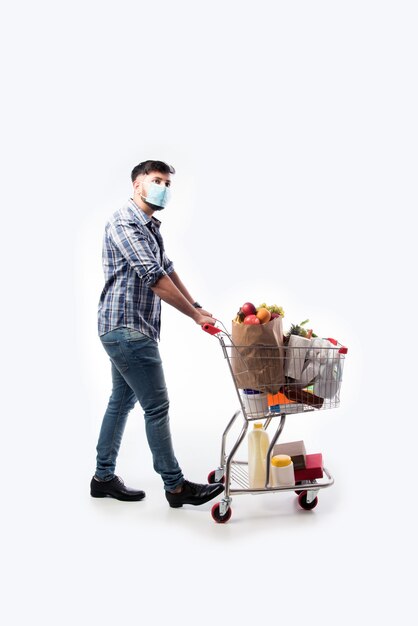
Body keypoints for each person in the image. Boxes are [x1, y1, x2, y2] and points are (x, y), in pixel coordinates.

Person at [91, 160, 224, 508]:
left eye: (167, 182)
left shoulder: (149, 226)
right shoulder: (126, 222)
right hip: (127, 330)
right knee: (157, 407)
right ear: (137, 185)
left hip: (128, 329)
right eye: (156, 180)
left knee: (121, 402)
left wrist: (197, 305)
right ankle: (175, 486)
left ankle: (102, 478)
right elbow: (154, 277)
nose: (163, 186)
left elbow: (167, 269)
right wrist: (194, 316)